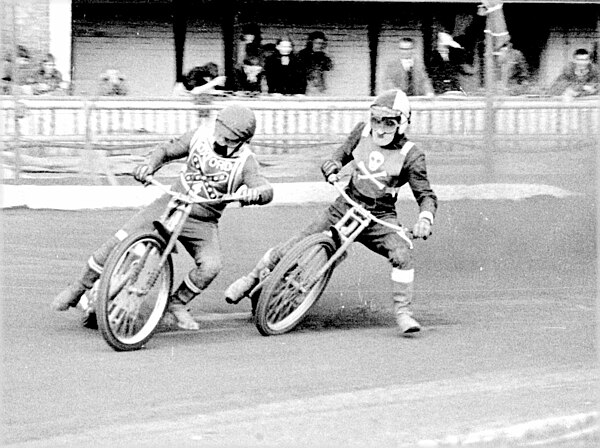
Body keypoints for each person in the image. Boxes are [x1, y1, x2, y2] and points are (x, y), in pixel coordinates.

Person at [225, 89, 438, 335]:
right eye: (376, 120)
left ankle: (403, 312)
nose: (379, 128)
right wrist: (332, 166)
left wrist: (424, 218)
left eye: (388, 122)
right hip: (345, 204)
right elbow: (339, 156)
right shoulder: (362, 132)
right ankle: (251, 278)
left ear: (402, 123)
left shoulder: (411, 155)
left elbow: (426, 196)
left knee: (402, 254)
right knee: (293, 245)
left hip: (379, 217)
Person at [52, 104, 274, 331]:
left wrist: (254, 194)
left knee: (211, 266)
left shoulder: (246, 162)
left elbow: (264, 187)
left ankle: (176, 304)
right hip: (171, 203)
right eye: (219, 134)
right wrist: (149, 165)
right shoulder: (200, 137)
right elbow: (167, 150)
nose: (220, 142)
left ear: (243, 141)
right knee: (119, 240)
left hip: (202, 220)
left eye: (229, 140)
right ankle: (78, 287)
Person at [297, 31, 334, 95]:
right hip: (305, 87)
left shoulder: (323, 56)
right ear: (311, 43)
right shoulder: (302, 55)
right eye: (317, 43)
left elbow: (329, 68)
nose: (319, 46)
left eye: (322, 44)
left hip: (319, 87)